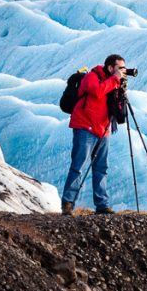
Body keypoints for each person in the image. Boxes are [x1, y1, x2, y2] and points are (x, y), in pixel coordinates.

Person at [61, 54, 129, 215]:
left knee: (101, 168)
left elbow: (117, 107)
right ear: (111, 67)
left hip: (103, 130)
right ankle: (68, 204)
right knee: (78, 166)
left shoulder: (114, 82)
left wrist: (121, 88)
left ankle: (102, 205)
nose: (122, 71)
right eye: (120, 68)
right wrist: (115, 80)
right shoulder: (92, 77)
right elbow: (97, 92)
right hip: (85, 127)